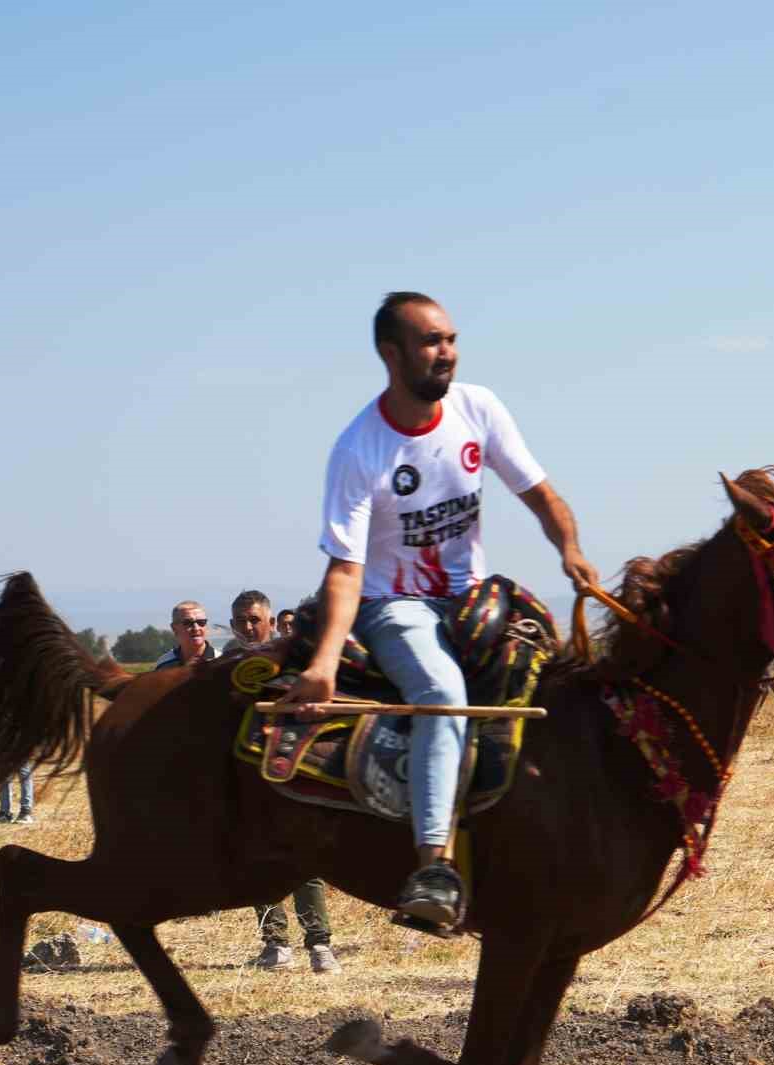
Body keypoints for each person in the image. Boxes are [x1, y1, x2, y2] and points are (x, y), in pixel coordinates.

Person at [279, 292, 601, 930]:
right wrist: (322, 666)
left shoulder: (479, 408)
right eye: (431, 342)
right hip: (394, 606)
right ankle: (434, 868)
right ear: (390, 353)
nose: (447, 352)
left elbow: (542, 495)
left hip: (474, 599)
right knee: (443, 691)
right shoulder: (359, 449)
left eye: (450, 339)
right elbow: (344, 570)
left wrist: (570, 548)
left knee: (556, 675)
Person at [228, 591, 339, 973]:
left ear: (270, 622)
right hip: (246, 773)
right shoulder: (229, 663)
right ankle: (275, 943)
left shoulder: (288, 659)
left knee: (305, 860)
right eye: (241, 620)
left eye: (254, 620)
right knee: (259, 858)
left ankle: (320, 944)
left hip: (291, 767)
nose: (248, 627)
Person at [153, 601, 218, 670]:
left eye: (201, 622)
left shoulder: (220, 661)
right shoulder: (164, 664)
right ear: (174, 628)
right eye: (188, 623)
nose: (196, 628)